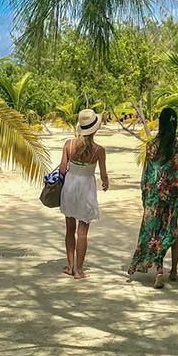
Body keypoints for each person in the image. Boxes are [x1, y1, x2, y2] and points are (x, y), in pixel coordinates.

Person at [128, 107, 178, 288]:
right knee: (174, 233)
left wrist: (145, 197)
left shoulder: (152, 146)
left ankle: (159, 271)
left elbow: (146, 174)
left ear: (161, 123)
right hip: (177, 196)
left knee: (156, 232)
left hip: (155, 196)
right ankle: (173, 271)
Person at [58, 109, 108, 279]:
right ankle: (79, 271)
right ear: (94, 129)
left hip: (70, 187)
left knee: (69, 229)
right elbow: (103, 176)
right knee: (82, 232)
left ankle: (70, 266)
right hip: (86, 189)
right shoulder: (99, 150)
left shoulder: (68, 145)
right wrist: (105, 183)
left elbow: (62, 169)